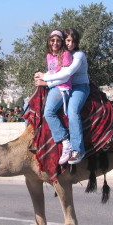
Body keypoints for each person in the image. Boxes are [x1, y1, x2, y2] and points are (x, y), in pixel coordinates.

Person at [34, 28, 90, 165]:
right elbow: (55, 70)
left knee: (72, 111)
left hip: (79, 87)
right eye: (67, 40)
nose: (69, 43)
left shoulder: (78, 55)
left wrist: (46, 80)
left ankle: (77, 149)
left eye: (72, 41)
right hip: (62, 85)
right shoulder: (61, 54)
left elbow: (67, 73)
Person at [35, 29, 73, 165]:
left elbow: (64, 76)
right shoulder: (49, 56)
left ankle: (65, 141)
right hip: (52, 86)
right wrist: (40, 75)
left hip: (62, 88)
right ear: (49, 42)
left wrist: (45, 81)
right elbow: (52, 72)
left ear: (61, 42)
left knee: (48, 112)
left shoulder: (66, 55)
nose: (55, 43)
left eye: (58, 40)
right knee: (29, 106)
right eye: (53, 40)